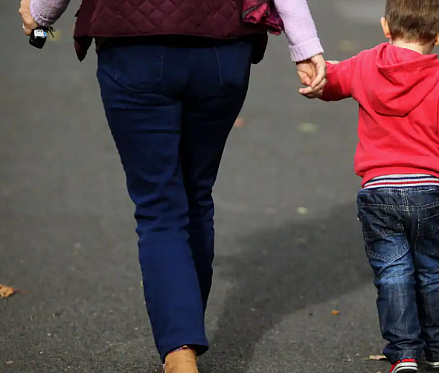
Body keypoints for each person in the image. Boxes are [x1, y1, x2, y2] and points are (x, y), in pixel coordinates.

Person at [19, 0, 326, 371]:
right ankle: (184, 341)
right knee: (196, 192)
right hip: (222, 47)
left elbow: (42, 13)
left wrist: (41, 14)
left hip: (134, 46)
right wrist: (305, 45)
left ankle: (180, 351)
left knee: (159, 203)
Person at [308, 0, 439, 371]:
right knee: (430, 268)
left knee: (392, 272)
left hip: (377, 191)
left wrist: (317, 74)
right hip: (425, 191)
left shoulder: (366, 64)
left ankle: (403, 353)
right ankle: (438, 344)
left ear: (386, 27)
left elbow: (331, 82)